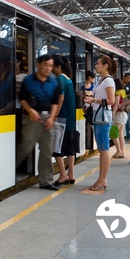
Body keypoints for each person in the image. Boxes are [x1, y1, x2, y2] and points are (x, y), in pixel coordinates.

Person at [17, 54, 62, 191]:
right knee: (25, 147)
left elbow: (55, 102)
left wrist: (52, 117)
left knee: (47, 151)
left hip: (48, 119)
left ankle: (46, 181)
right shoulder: (28, 80)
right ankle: (7, 174)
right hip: (32, 119)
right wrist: (31, 111)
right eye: (45, 65)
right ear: (38, 65)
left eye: (50, 66)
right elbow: (22, 99)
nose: (48, 68)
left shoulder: (54, 82)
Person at [83, 55, 116, 190]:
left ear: (105, 66)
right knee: (102, 149)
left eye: (97, 64)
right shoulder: (101, 80)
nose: (95, 66)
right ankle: (102, 179)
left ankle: (102, 180)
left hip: (102, 118)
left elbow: (111, 100)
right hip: (99, 118)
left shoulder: (108, 81)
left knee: (104, 150)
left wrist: (94, 100)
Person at [52, 55, 76, 185]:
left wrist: (55, 114)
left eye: (52, 67)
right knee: (69, 148)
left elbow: (60, 98)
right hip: (70, 120)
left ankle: (63, 175)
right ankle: (71, 174)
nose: (51, 69)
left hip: (61, 119)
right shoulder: (69, 80)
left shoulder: (60, 78)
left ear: (58, 67)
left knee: (57, 148)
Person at [111, 78, 128, 159]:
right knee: (120, 134)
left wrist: (112, 114)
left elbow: (117, 104)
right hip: (123, 114)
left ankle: (118, 151)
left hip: (118, 114)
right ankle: (122, 151)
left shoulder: (117, 93)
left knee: (113, 134)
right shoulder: (123, 92)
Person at [122, 72, 130, 139]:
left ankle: (128, 135)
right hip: (121, 105)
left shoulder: (129, 86)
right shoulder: (119, 85)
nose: (129, 80)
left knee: (127, 121)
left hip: (126, 105)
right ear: (124, 77)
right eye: (128, 78)